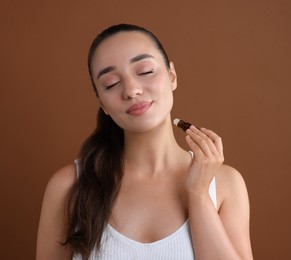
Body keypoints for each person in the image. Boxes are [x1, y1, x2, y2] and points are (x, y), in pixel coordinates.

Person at [36, 24, 253, 260]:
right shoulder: (69, 187)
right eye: (110, 84)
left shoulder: (224, 184)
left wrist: (198, 193)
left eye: (145, 70)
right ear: (103, 105)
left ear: (172, 76)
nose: (131, 90)